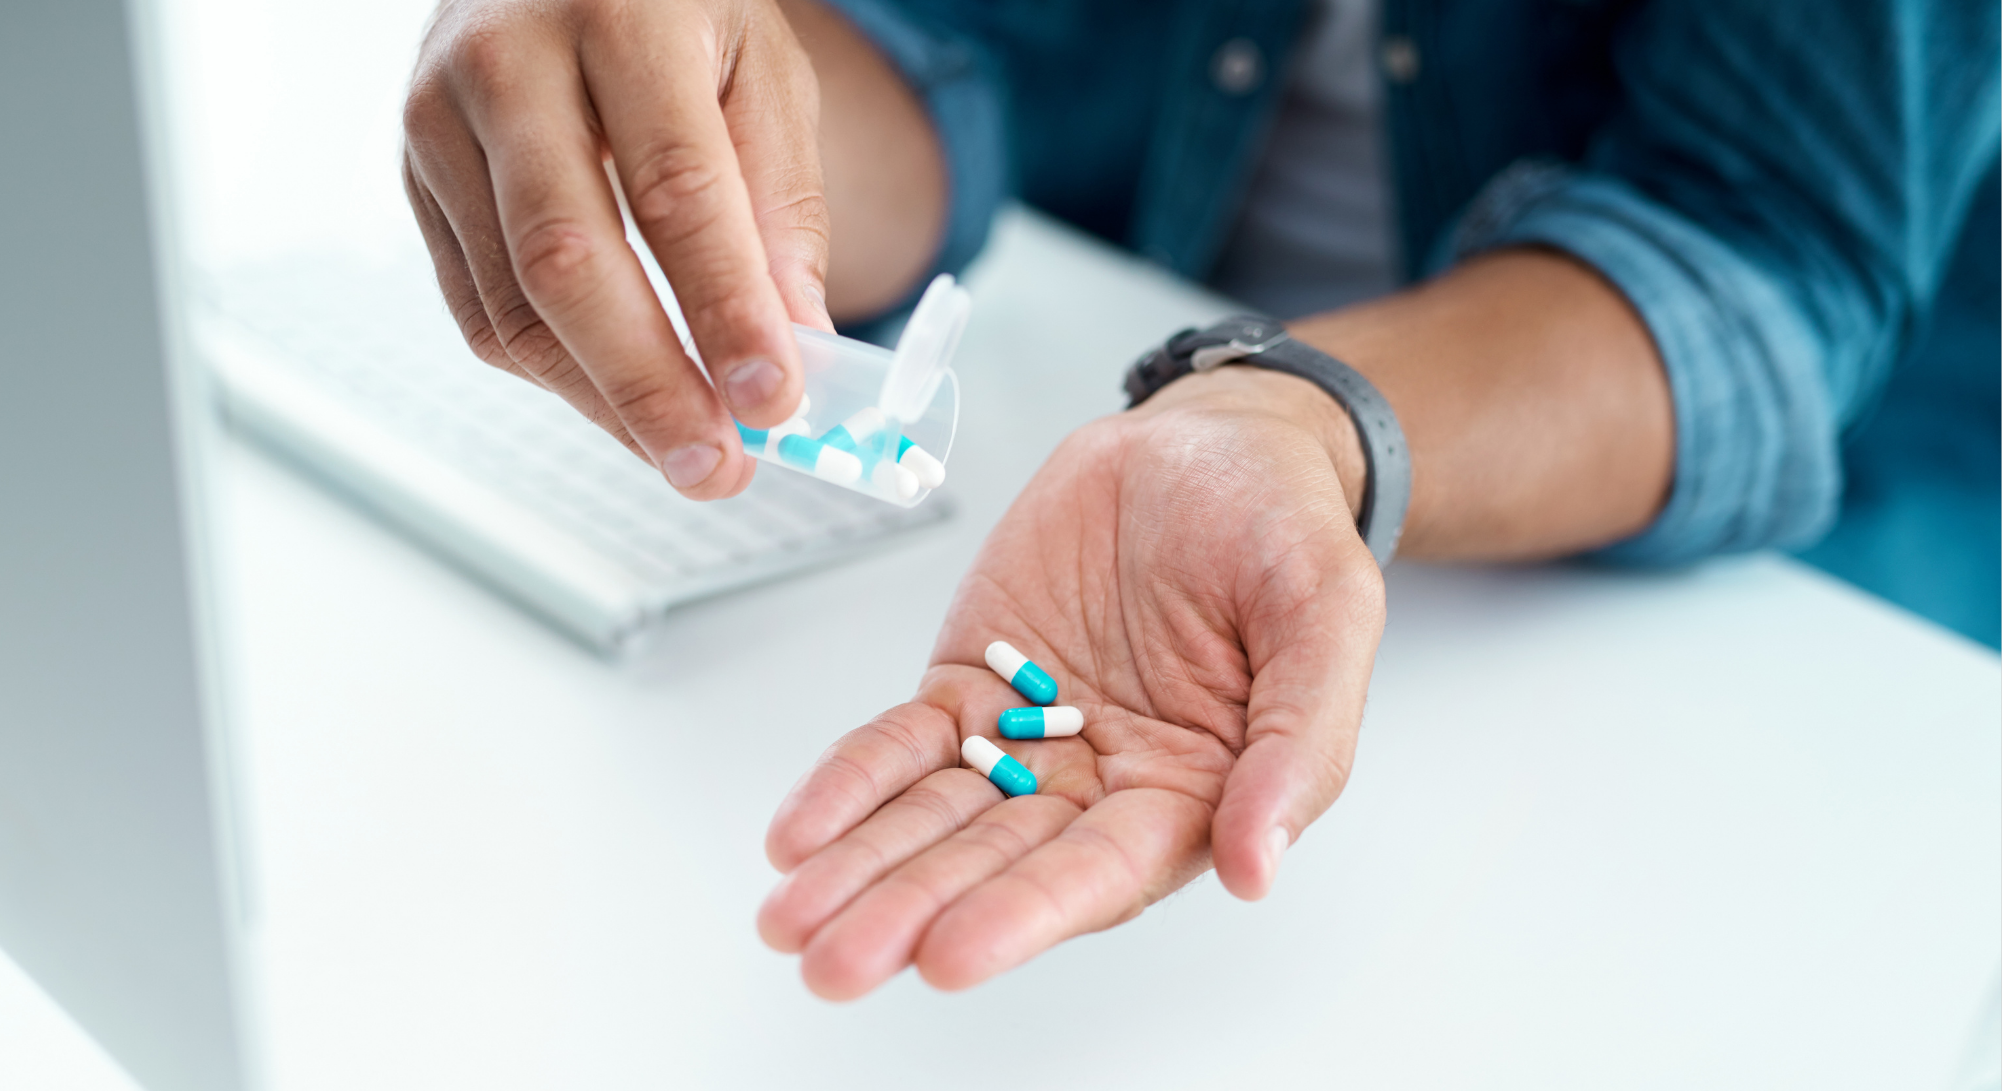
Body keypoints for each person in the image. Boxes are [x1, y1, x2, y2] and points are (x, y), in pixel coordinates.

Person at [400, 0, 2000, 1000]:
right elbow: (956, 46)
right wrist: (678, 94)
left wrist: (1289, 420)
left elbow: (1757, 260)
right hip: (1085, 363)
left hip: (1763, 642)